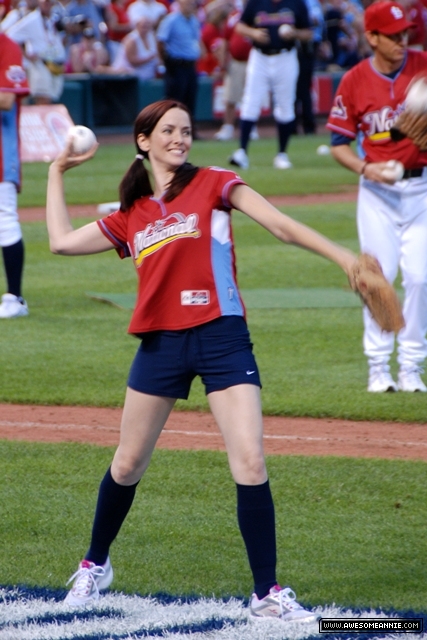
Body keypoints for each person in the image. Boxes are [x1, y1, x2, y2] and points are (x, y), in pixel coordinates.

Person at [46, 98, 358, 616]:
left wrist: (344, 256)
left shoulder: (215, 182)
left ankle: (266, 596)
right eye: (167, 131)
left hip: (222, 337)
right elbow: (58, 242)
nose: (179, 138)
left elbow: (279, 225)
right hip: (160, 345)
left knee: (251, 460)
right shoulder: (132, 214)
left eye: (186, 131)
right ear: (143, 141)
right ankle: (93, 565)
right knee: (126, 464)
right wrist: (57, 170)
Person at [326, 0, 427, 393]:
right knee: (376, 277)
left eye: (406, 33)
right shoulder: (353, 80)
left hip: (422, 189)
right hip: (376, 195)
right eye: (393, 35)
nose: (403, 40)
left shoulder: (422, 67)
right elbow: (339, 143)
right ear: (371, 37)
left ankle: (412, 366)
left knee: (421, 278)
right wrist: (366, 168)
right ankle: (378, 368)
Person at [227, 0, 313, 171]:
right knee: (250, 102)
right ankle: (242, 152)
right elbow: (240, 26)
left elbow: (308, 33)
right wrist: (254, 33)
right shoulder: (257, 2)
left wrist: (294, 33)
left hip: (285, 56)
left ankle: (282, 154)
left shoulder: (296, 3)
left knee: (285, 104)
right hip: (259, 57)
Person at [0, 30, 30, 318]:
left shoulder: (7, 47)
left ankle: (15, 298)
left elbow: (6, 100)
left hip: (0, 151)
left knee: (5, 220)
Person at [5, 0, 66, 104]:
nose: (47, 5)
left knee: (50, 99)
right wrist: (25, 55)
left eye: (50, 2)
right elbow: (10, 37)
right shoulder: (32, 19)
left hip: (55, 66)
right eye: (45, 2)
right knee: (43, 99)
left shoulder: (53, 19)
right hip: (40, 64)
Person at [156, 0, 201, 119]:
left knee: (190, 97)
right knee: (175, 100)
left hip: (190, 65)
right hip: (176, 65)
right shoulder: (171, 20)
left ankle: (189, 129)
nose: (190, 4)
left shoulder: (194, 20)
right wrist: (166, 61)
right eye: (187, 2)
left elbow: (195, 41)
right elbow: (160, 41)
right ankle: (171, 129)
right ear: (180, 3)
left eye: (192, 3)